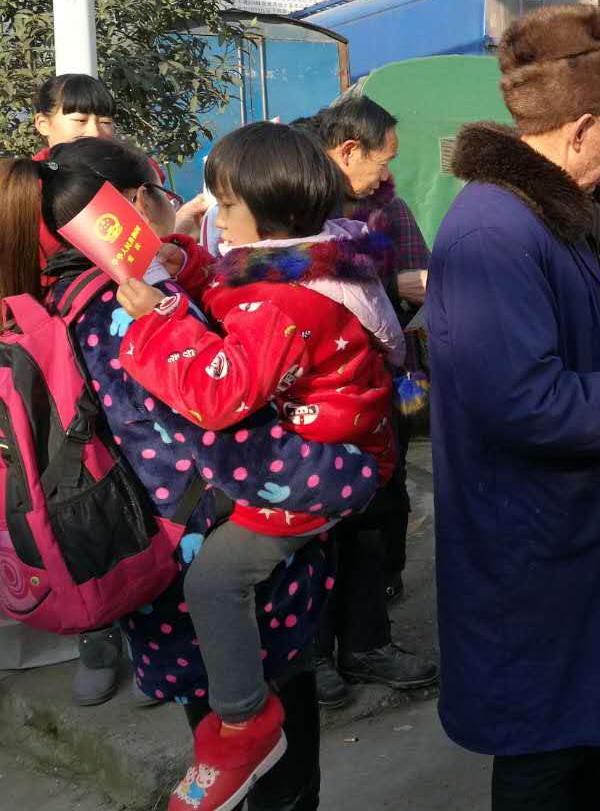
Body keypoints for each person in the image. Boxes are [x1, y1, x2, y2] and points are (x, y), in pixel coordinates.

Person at [1, 138, 374, 811]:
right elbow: (220, 439)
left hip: (147, 560)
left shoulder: (50, 296)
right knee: (276, 767)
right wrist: (332, 476)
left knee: (216, 727)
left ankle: (226, 755)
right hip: (225, 560)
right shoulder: (132, 304)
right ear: (132, 204)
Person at [429, 4, 600, 811]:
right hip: (528, 532)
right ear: (582, 126)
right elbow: (520, 397)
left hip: (573, 514)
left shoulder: (554, 213)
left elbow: (589, 339)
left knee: (584, 698)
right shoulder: (493, 230)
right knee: (541, 733)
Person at [113, 121, 397, 805]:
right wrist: (190, 266)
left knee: (214, 580)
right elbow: (235, 285)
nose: (216, 218)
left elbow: (221, 392)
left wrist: (155, 322)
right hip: (335, 448)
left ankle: (244, 723)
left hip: (323, 467)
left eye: (226, 206)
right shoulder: (308, 259)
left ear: (266, 212)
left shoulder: (281, 304)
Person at [293, 97, 437, 706]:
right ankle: (311, 654)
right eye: (383, 159)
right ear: (348, 152)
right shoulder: (292, 201)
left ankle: (367, 643)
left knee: (372, 519)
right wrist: (376, 282)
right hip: (310, 395)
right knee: (314, 529)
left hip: (375, 391)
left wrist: (404, 293)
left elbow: (421, 283)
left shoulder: (388, 210)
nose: (387, 173)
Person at [28, 74, 123, 707]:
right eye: (78, 118)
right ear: (43, 124)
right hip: (55, 365)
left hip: (126, 359)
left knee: (141, 483)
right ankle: (98, 633)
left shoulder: (126, 175)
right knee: (79, 487)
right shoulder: (26, 187)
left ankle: (151, 624)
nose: (94, 130)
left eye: (103, 119)